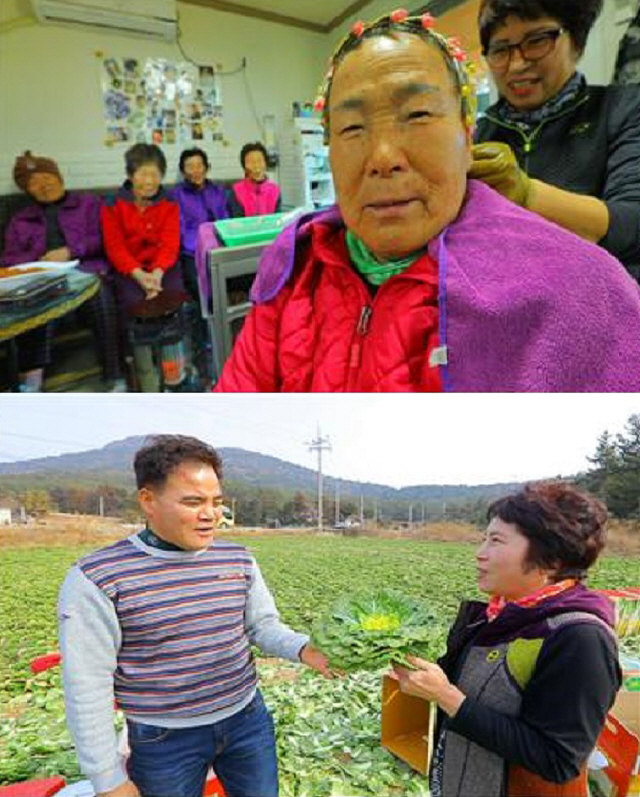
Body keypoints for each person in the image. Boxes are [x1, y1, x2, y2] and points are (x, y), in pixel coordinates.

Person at [214, 9, 640, 392]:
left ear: (466, 135)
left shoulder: (581, 289)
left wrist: (526, 193)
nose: (382, 158)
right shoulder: (296, 269)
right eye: (350, 128)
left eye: (417, 115)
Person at [59, 434, 331, 797]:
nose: (210, 515)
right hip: (164, 739)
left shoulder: (238, 559)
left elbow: (262, 626)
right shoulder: (97, 578)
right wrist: (108, 779)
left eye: (216, 502)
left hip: (247, 719)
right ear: (148, 501)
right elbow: (87, 685)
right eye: (193, 502)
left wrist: (303, 650)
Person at [391, 481, 621, 797]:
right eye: (483, 539)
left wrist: (448, 697)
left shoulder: (579, 639)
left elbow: (558, 760)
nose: (479, 554)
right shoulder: (498, 615)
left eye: (496, 541)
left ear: (550, 560)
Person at [471, 0, 640, 279]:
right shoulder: (479, 134)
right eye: (501, 50)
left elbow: (632, 224)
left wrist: (527, 194)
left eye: (537, 41)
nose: (516, 64)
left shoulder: (621, 109)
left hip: (606, 299)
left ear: (576, 41)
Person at [2, 151, 123, 391]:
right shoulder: (21, 220)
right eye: (33, 182)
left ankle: (114, 376)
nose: (43, 185)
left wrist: (71, 250)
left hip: (87, 273)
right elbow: (8, 259)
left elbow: (106, 239)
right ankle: (31, 380)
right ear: (27, 190)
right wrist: (39, 259)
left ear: (59, 177)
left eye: (47, 177)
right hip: (43, 280)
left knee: (101, 295)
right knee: (33, 301)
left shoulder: (89, 204)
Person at [101, 143, 190, 392]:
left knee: (171, 302)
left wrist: (158, 274)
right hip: (130, 271)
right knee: (135, 307)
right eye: (143, 173)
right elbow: (115, 247)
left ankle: (174, 373)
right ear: (130, 175)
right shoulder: (111, 204)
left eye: (155, 174)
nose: (149, 181)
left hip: (164, 269)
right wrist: (140, 276)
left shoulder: (170, 202)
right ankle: (145, 376)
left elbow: (171, 242)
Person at [169, 148, 229, 385]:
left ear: (206, 166)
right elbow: (182, 229)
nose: (195, 170)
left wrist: (219, 243)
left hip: (219, 249)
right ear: (183, 170)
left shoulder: (218, 191)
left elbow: (225, 219)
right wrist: (203, 246)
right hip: (192, 252)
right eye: (189, 166)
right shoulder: (177, 195)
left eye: (199, 165)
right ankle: (205, 346)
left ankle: (226, 337)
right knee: (199, 288)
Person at [228, 142, 282, 217]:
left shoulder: (275, 190)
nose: (256, 166)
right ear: (244, 166)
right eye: (250, 162)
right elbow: (237, 222)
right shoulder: (236, 191)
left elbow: (278, 220)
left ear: (266, 163)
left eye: (259, 161)